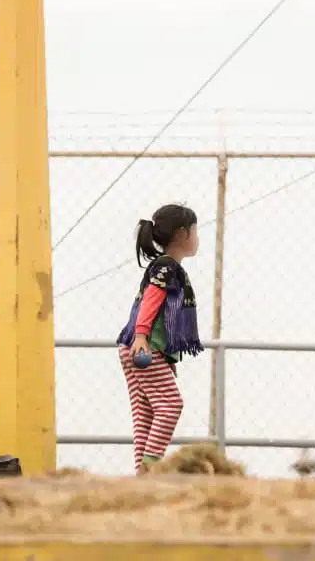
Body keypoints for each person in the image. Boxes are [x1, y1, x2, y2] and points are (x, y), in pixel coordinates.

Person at [116, 203, 204, 474]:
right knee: (170, 405)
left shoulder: (163, 267)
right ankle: (151, 467)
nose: (198, 237)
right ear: (183, 234)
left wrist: (166, 356)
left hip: (135, 346)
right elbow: (151, 301)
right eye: (195, 231)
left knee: (146, 412)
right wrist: (142, 337)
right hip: (142, 345)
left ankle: (141, 472)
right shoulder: (166, 268)